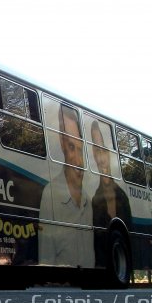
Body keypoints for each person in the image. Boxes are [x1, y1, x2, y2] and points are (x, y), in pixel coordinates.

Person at [39, 105, 95, 267]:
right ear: (62, 144)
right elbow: (45, 259)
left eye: (80, 149)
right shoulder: (50, 195)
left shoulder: (88, 202)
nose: (78, 161)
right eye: (71, 147)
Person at [91, 120, 131, 267]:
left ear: (110, 153)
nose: (101, 159)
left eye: (103, 150)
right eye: (96, 151)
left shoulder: (123, 197)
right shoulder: (94, 199)